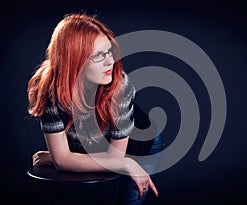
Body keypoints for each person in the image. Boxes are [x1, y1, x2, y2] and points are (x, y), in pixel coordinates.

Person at [27, 13, 164, 205]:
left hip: (140, 147)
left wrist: (61, 159)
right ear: (75, 59)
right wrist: (62, 159)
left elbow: (114, 157)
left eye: (109, 51)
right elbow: (64, 160)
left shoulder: (120, 87)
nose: (110, 61)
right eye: (99, 55)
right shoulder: (49, 88)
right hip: (100, 150)